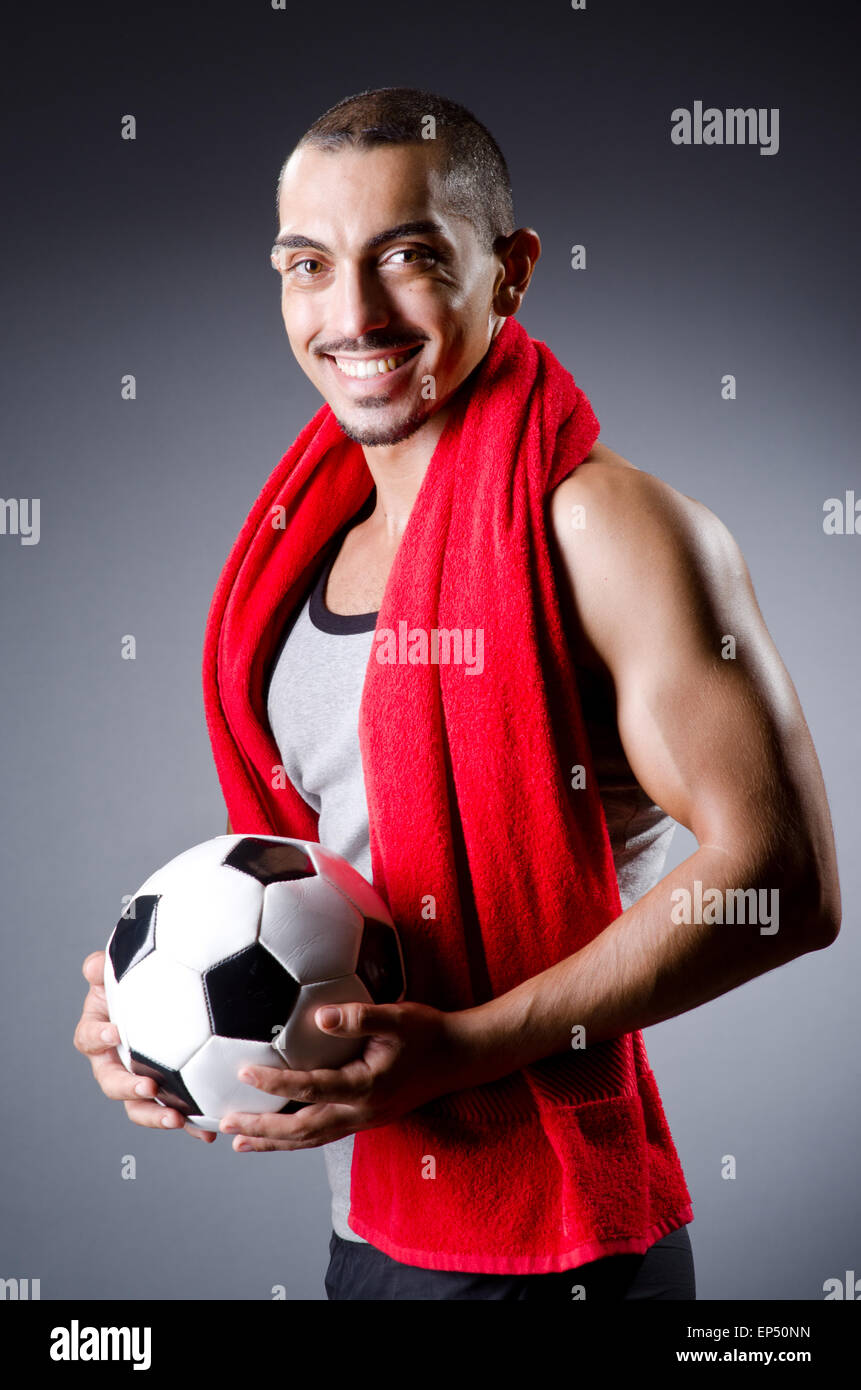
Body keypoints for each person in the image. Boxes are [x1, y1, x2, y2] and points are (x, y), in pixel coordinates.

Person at [74, 87, 841, 1301]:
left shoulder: (604, 527)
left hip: (560, 1251)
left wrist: (467, 1048)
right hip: (373, 1226)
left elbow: (784, 880)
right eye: (309, 265)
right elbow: (322, 889)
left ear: (512, 271)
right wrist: (155, 1008)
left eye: (408, 257)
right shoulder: (301, 560)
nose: (354, 315)